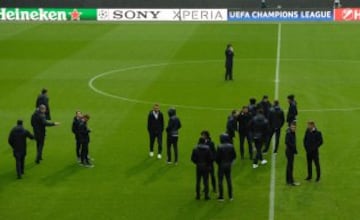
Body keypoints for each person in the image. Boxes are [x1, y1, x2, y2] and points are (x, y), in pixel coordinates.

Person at [216, 133, 236, 201]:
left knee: (220, 181)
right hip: (228, 164)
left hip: (221, 165)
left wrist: (219, 163)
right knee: (229, 180)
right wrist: (230, 162)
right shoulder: (231, 146)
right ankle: (230, 196)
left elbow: (217, 157)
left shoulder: (219, 146)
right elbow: (234, 156)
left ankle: (221, 196)